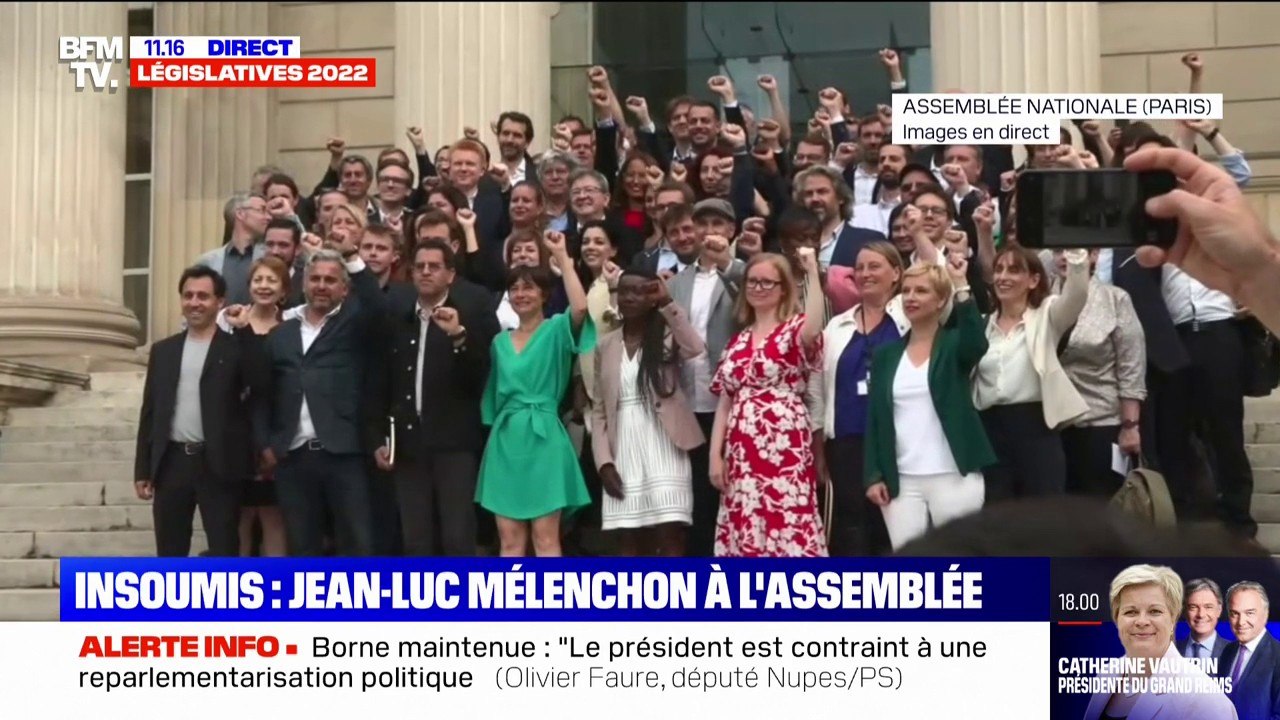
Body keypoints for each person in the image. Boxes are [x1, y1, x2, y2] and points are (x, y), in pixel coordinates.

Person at [253, 233, 385, 557]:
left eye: (330, 280)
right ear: (304, 284)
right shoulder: (281, 334)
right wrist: (266, 444)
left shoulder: (354, 323)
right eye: (315, 279)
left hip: (344, 452)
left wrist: (351, 256)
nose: (322, 286)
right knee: (302, 546)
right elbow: (262, 393)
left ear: (344, 288)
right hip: (293, 455)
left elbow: (377, 306)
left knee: (358, 543)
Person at [369, 239, 500, 556]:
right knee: (415, 539)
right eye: (419, 267)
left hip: (454, 445)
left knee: (457, 536)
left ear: (450, 274)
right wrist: (377, 438)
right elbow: (379, 384)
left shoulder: (469, 314)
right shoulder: (397, 318)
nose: (425, 272)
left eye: (434, 266)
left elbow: (480, 379)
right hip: (407, 444)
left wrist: (458, 336)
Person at [476, 231, 595, 557]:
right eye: (514, 288)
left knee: (545, 539)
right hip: (506, 442)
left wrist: (562, 256)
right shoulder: (499, 342)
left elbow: (580, 308)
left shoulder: (556, 329)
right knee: (509, 541)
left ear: (544, 294)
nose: (520, 294)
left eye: (528, 287)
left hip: (545, 440)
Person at [863, 258, 994, 551]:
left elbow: (977, 343)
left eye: (921, 291)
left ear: (941, 301)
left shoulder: (954, 344)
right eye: (906, 290)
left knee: (960, 560)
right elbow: (875, 418)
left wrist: (961, 286)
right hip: (901, 480)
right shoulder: (886, 355)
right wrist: (873, 475)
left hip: (954, 475)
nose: (911, 297)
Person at [134, 266, 262, 557]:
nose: (194, 303)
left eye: (203, 296)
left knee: (224, 547)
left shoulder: (234, 347)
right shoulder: (163, 351)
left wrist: (245, 330)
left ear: (219, 302)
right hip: (172, 462)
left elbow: (260, 381)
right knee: (170, 549)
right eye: (188, 295)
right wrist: (143, 468)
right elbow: (150, 411)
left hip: (218, 463)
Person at [709, 250, 826, 557]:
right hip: (741, 449)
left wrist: (812, 272)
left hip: (783, 444)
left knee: (787, 515)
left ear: (783, 288)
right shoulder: (737, 341)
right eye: (752, 281)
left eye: (767, 282)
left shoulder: (794, 328)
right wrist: (715, 456)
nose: (758, 288)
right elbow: (725, 401)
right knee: (745, 515)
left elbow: (814, 327)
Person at [591, 268, 705, 556]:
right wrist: (604, 463)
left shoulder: (666, 334)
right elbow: (599, 409)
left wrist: (668, 303)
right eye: (624, 291)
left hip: (664, 442)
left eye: (640, 291)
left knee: (670, 533)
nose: (630, 297)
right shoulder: (606, 344)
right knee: (629, 539)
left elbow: (695, 348)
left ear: (653, 296)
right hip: (623, 445)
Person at [973, 247, 1089, 504]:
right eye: (999, 270)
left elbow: (1077, 294)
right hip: (990, 431)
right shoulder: (982, 323)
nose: (1003, 277)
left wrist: (1077, 252)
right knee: (997, 513)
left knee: (1042, 513)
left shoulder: (1047, 315)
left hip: (1035, 428)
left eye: (1014, 270)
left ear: (1034, 280)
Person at [817, 242, 906, 556]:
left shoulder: (908, 317)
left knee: (892, 524)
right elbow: (819, 388)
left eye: (874, 266)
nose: (865, 273)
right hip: (846, 441)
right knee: (851, 525)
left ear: (896, 273)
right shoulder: (836, 326)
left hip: (898, 439)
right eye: (860, 267)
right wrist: (819, 447)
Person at [1050, 249, 1147, 497]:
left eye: (1073, 251)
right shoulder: (1040, 298)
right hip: (1049, 426)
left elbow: (1131, 367)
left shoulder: (1115, 299)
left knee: (1099, 507)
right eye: (1058, 250)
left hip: (1100, 420)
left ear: (1094, 256)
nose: (1064, 257)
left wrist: (1130, 426)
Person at [1082, 564, 1236, 719]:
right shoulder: (1107, 674)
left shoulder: (1207, 702)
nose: (1142, 621)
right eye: (1130, 612)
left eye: (1154, 611)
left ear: (1173, 619)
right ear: (1117, 619)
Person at [219, 257, 290, 557]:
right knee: (241, 517)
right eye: (258, 280)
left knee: (273, 517)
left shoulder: (290, 328)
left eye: (272, 280)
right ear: (249, 286)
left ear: (283, 290)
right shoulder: (230, 325)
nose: (264, 286)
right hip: (238, 430)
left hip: (276, 429)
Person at [1219, 581, 1280, 719]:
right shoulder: (1228, 651)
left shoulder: (1278, 656)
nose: (1241, 622)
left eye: (1249, 613)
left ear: (1265, 614)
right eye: (1235, 613)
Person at [1178, 578, 1230, 660]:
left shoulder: (1234, 652)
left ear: (1219, 610)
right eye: (1193, 607)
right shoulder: (1171, 651)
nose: (1201, 614)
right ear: (1184, 611)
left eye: (1208, 607)